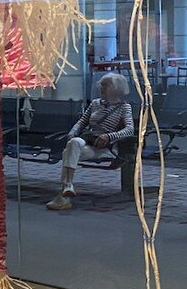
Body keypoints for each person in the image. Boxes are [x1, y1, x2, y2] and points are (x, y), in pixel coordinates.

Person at [46, 73, 134, 211]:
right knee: (73, 143)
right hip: (89, 142)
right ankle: (68, 186)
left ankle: (63, 196)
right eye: (102, 85)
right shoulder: (95, 104)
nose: (102, 88)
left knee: (67, 152)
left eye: (106, 85)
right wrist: (72, 133)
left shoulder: (124, 107)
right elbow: (82, 122)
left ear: (116, 88)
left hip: (105, 148)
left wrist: (109, 136)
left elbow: (129, 130)